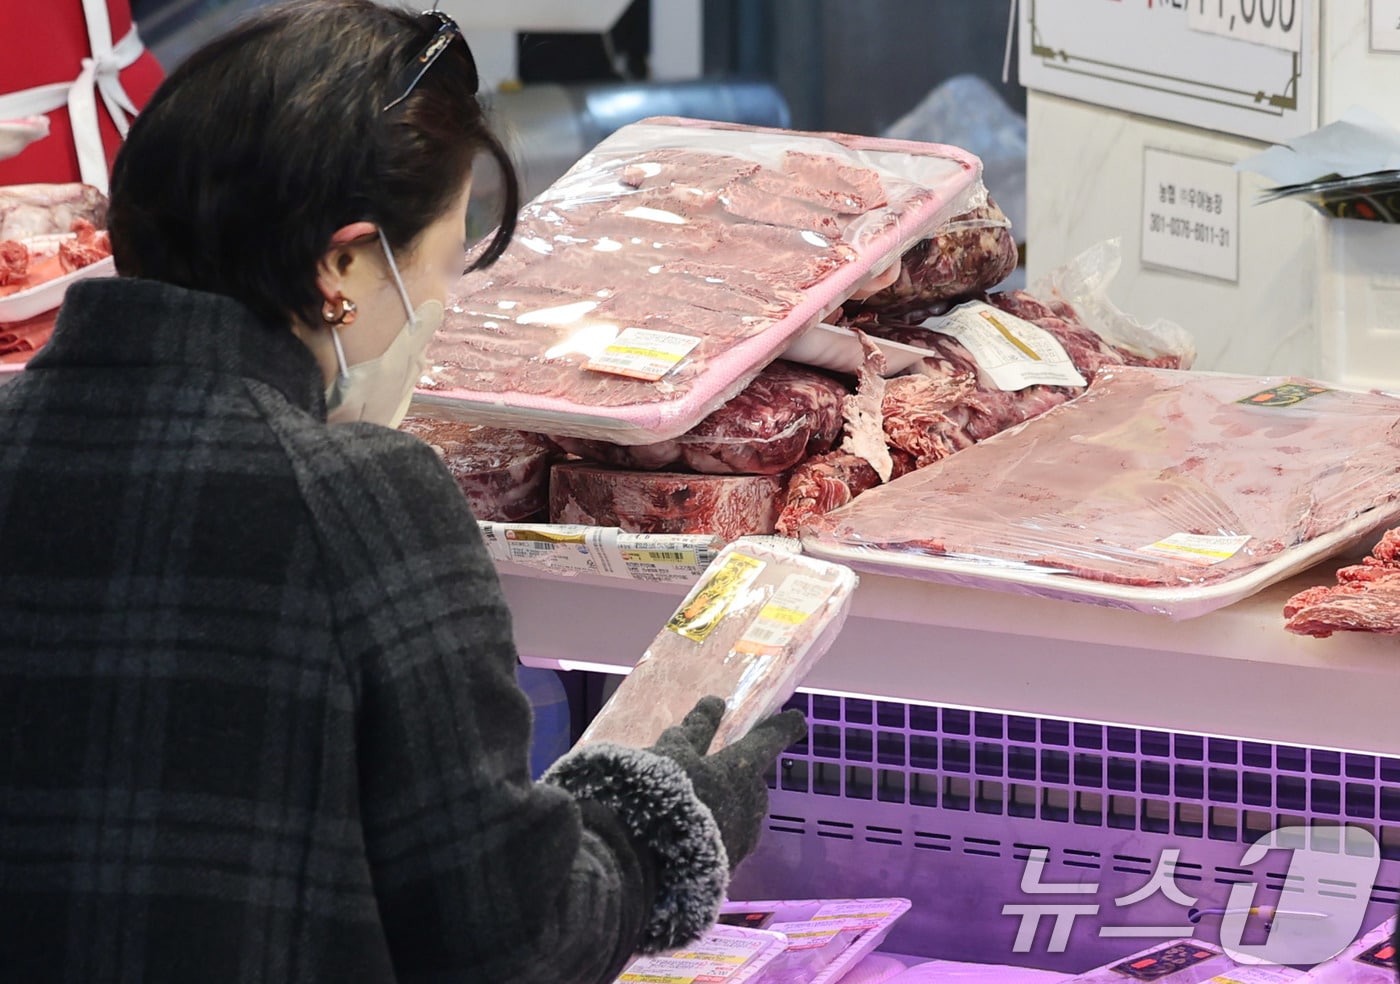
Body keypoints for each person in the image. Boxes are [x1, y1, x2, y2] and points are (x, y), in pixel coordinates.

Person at [0, 2, 806, 982]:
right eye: (440, 263)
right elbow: (509, 940)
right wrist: (663, 825)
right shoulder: (356, 500)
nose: (438, 308)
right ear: (342, 265)